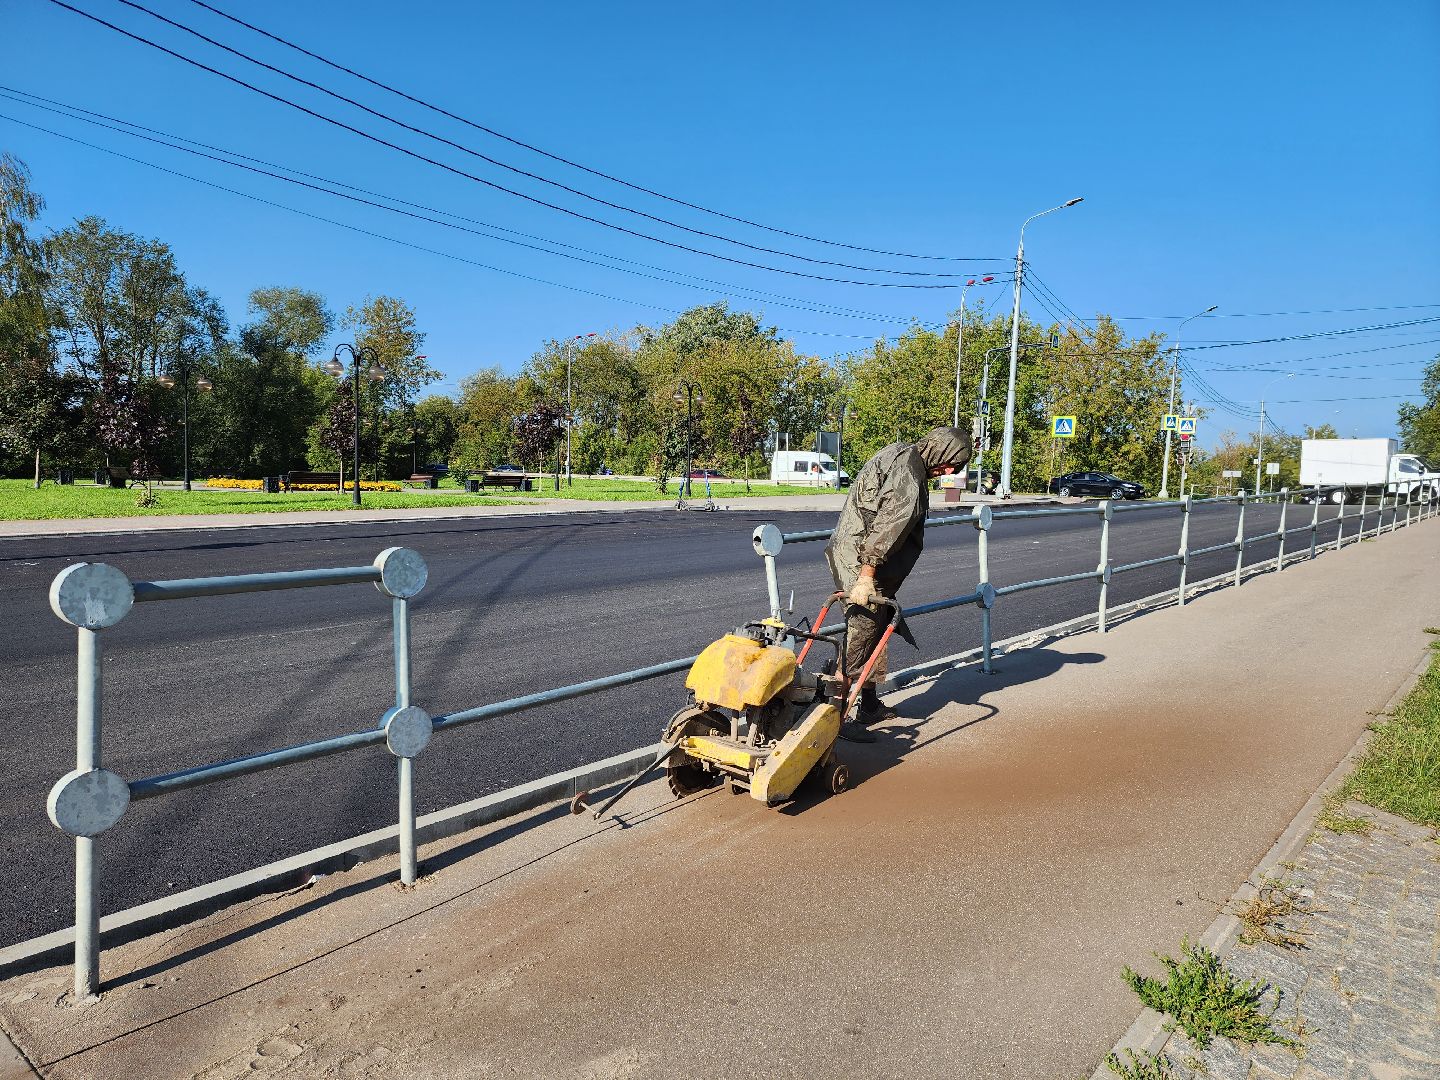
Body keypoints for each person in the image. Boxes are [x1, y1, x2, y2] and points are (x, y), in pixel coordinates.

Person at [824, 426, 973, 743]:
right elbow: (886, 528)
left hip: (861, 557)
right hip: (863, 563)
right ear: (939, 450)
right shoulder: (911, 475)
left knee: (875, 631)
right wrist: (866, 576)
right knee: (860, 634)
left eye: (955, 470)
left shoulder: (903, 453)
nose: (947, 472)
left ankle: (869, 705)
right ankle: (835, 717)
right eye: (949, 463)